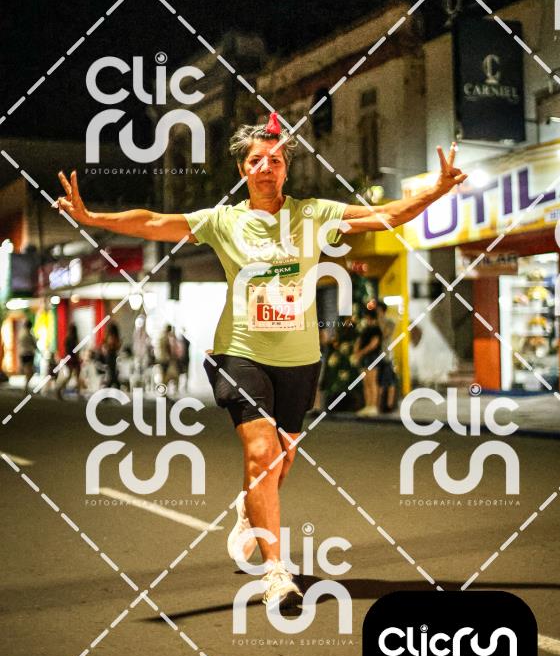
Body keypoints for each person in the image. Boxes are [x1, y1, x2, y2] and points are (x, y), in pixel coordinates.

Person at [56, 114, 466, 608]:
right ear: (243, 169)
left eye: (274, 160)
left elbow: (387, 216)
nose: (266, 167)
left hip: (299, 358)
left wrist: (438, 189)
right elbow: (156, 222)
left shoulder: (313, 214)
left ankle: (248, 509)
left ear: (285, 169)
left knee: (280, 461)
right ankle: (276, 572)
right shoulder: (223, 221)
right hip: (241, 352)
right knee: (260, 454)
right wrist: (95, 218)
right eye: (256, 160)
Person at [353, 307, 382, 417]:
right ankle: (368, 406)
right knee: (366, 382)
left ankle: (373, 406)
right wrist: (357, 352)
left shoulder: (376, 329)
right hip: (365, 358)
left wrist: (360, 352)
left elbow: (374, 344)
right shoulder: (366, 328)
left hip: (372, 357)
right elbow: (359, 341)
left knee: (372, 381)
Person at [375, 300, 398, 413]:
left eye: (378, 310)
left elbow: (385, 334)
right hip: (375, 355)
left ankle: (388, 405)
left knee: (388, 381)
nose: (376, 312)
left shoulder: (390, 322)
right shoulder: (374, 322)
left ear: (382, 310)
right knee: (379, 381)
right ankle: (378, 406)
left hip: (386, 355)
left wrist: (379, 321)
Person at [57, 322, 82, 399]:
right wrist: (78, 358)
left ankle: (60, 389)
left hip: (69, 359)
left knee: (70, 375)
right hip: (74, 359)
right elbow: (77, 350)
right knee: (77, 375)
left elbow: (66, 350)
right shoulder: (75, 339)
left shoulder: (67, 338)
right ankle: (78, 393)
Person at [17, 318, 37, 396]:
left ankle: (25, 387)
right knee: (30, 371)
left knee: (27, 370)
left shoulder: (21, 334)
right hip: (29, 354)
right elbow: (34, 345)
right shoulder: (30, 335)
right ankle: (26, 386)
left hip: (22, 353)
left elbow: (19, 344)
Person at [103, 323, 121, 389]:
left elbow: (108, 345)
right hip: (111, 355)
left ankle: (111, 385)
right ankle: (112, 385)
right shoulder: (112, 337)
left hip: (111, 355)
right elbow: (113, 345)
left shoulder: (109, 336)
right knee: (112, 373)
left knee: (112, 373)